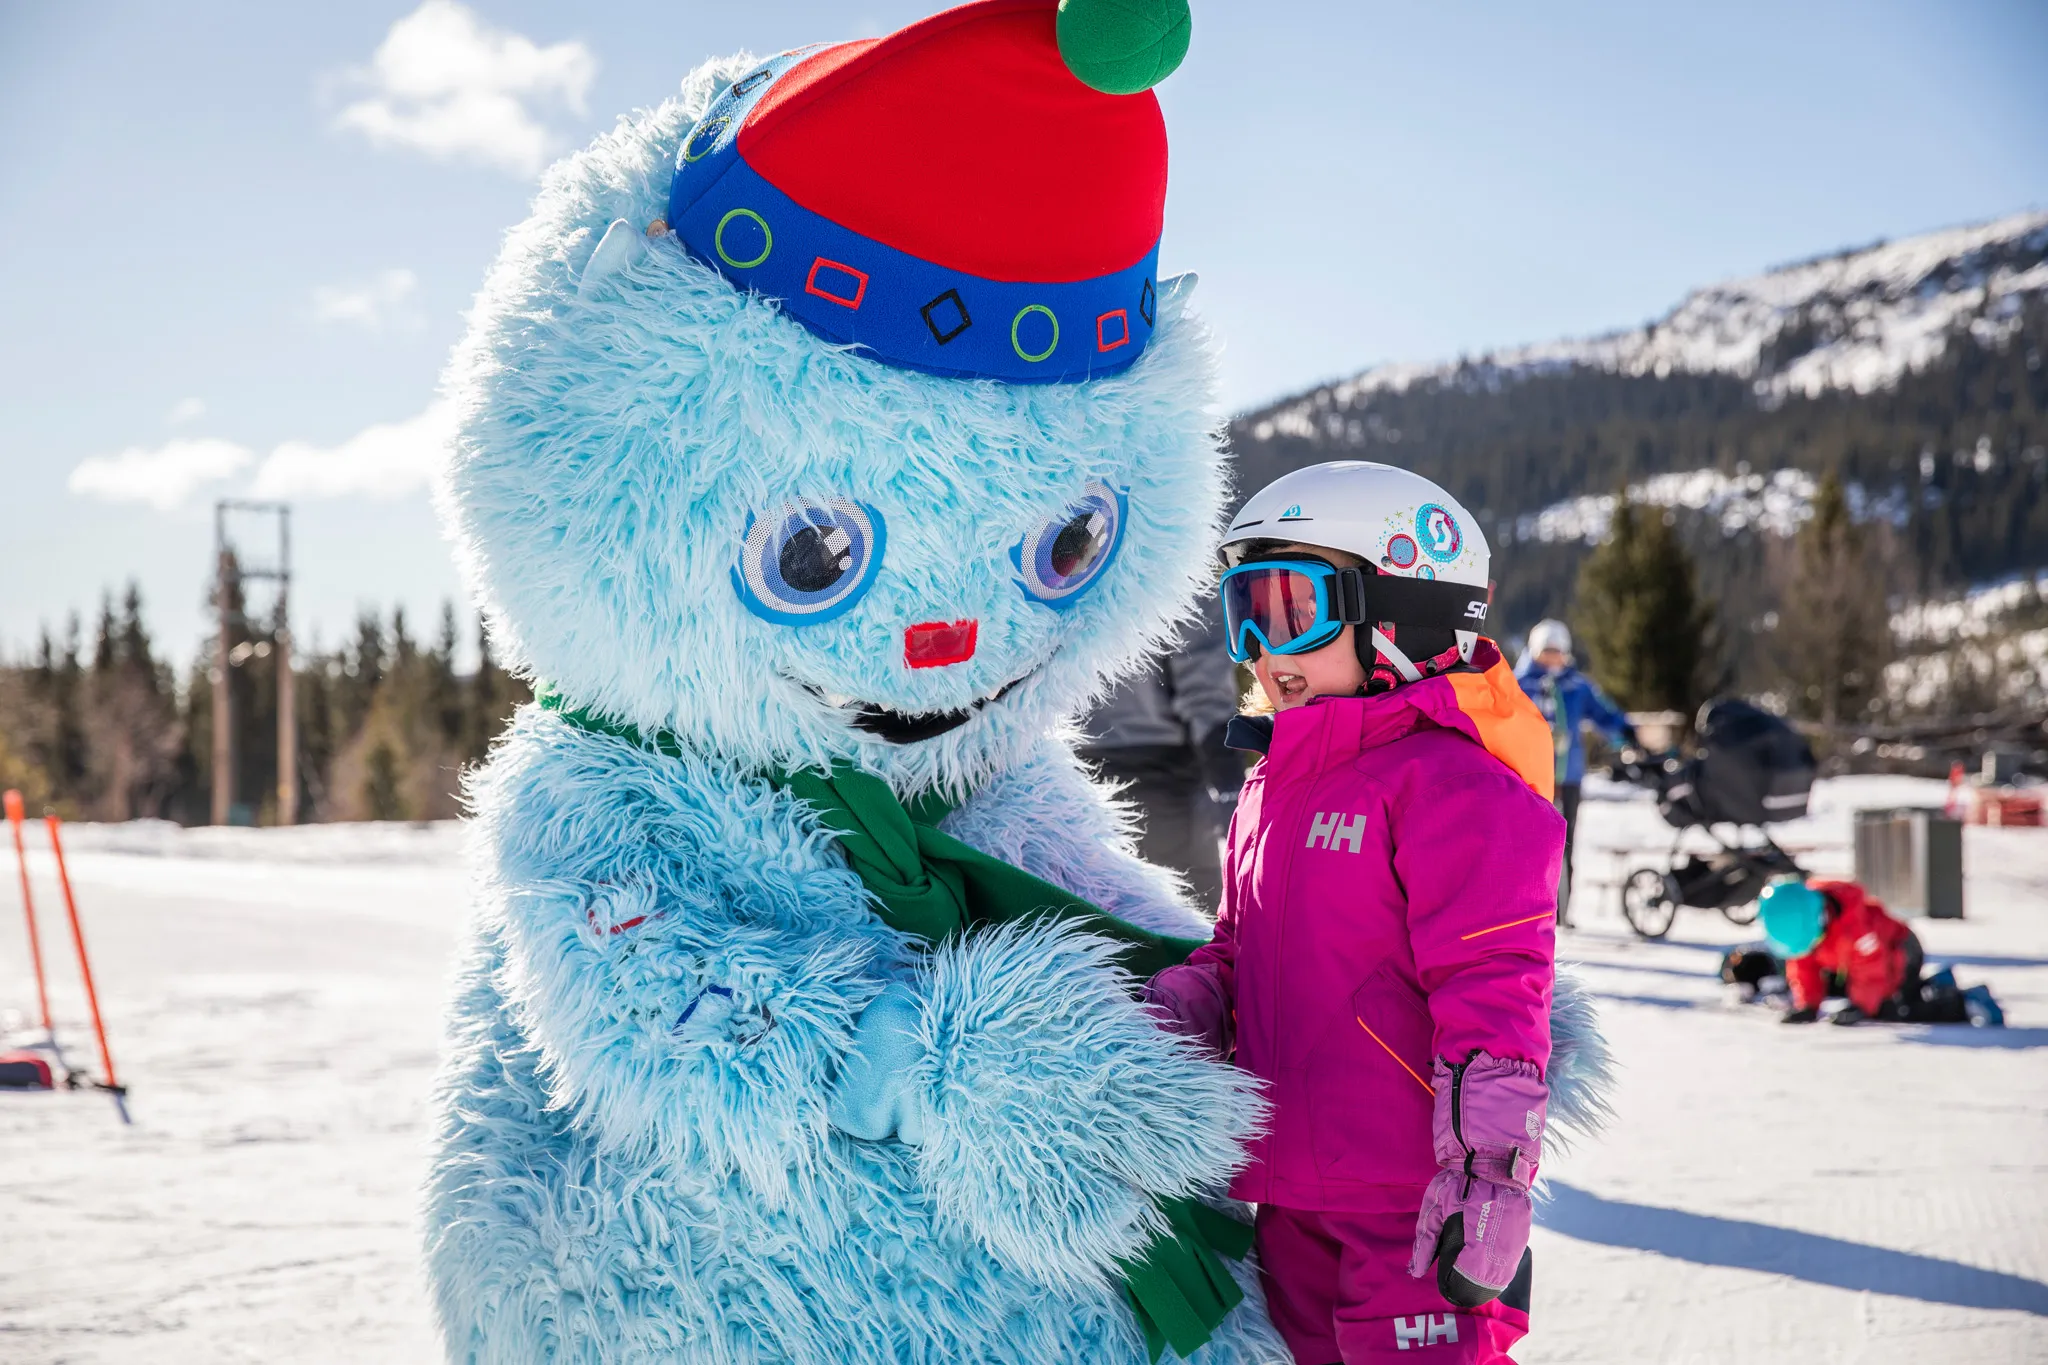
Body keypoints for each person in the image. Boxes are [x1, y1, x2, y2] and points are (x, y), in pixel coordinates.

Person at [1145, 461, 1566, 1365]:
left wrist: (1487, 1180)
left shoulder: (1458, 790)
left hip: (1409, 1208)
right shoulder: (1273, 783)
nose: (1262, 646)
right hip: (1289, 1195)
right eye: (1242, 612)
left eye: (1294, 610)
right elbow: (1241, 949)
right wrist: (1187, 1001)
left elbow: (1496, 998)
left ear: (1401, 610)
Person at [1079, 593, 1246, 912]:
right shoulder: (1173, 566)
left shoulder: (1049, 568)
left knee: (1102, 920)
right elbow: (1203, 681)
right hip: (1162, 782)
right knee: (1188, 920)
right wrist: (1227, 776)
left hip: (1072, 773)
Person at [1514, 620, 1634, 925]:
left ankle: (1560, 911)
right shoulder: (1519, 685)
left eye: (1557, 652)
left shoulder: (1577, 687)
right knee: (1531, 843)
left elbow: (1602, 713)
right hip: (1531, 779)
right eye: (1546, 652)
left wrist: (1625, 732)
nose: (1552, 658)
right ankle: (1527, 909)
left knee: (1565, 844)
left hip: (1569, 776)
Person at [1759, 878, 1918, 1025]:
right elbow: (1803, 966)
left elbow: (1872, 967)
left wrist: (1863, 1006)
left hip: (1901, 949)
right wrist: (1807, 1006)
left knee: (1889, 1003)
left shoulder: (1857, 931)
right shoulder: (1806, 931)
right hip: (1849, 964)